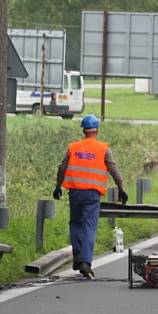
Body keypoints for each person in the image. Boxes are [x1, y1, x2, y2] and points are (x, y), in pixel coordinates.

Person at [54, 114, 127, 279]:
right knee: (89, 227)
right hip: (93, 193)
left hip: (75, 192)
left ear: (83, 130)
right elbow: (114, 170)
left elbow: (62, 167)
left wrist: (58, 186)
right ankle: (86, 262)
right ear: (97, 131)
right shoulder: (103, 149)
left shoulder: (73, 147)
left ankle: (78, 256)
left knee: (75, 223)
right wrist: (121, 188)